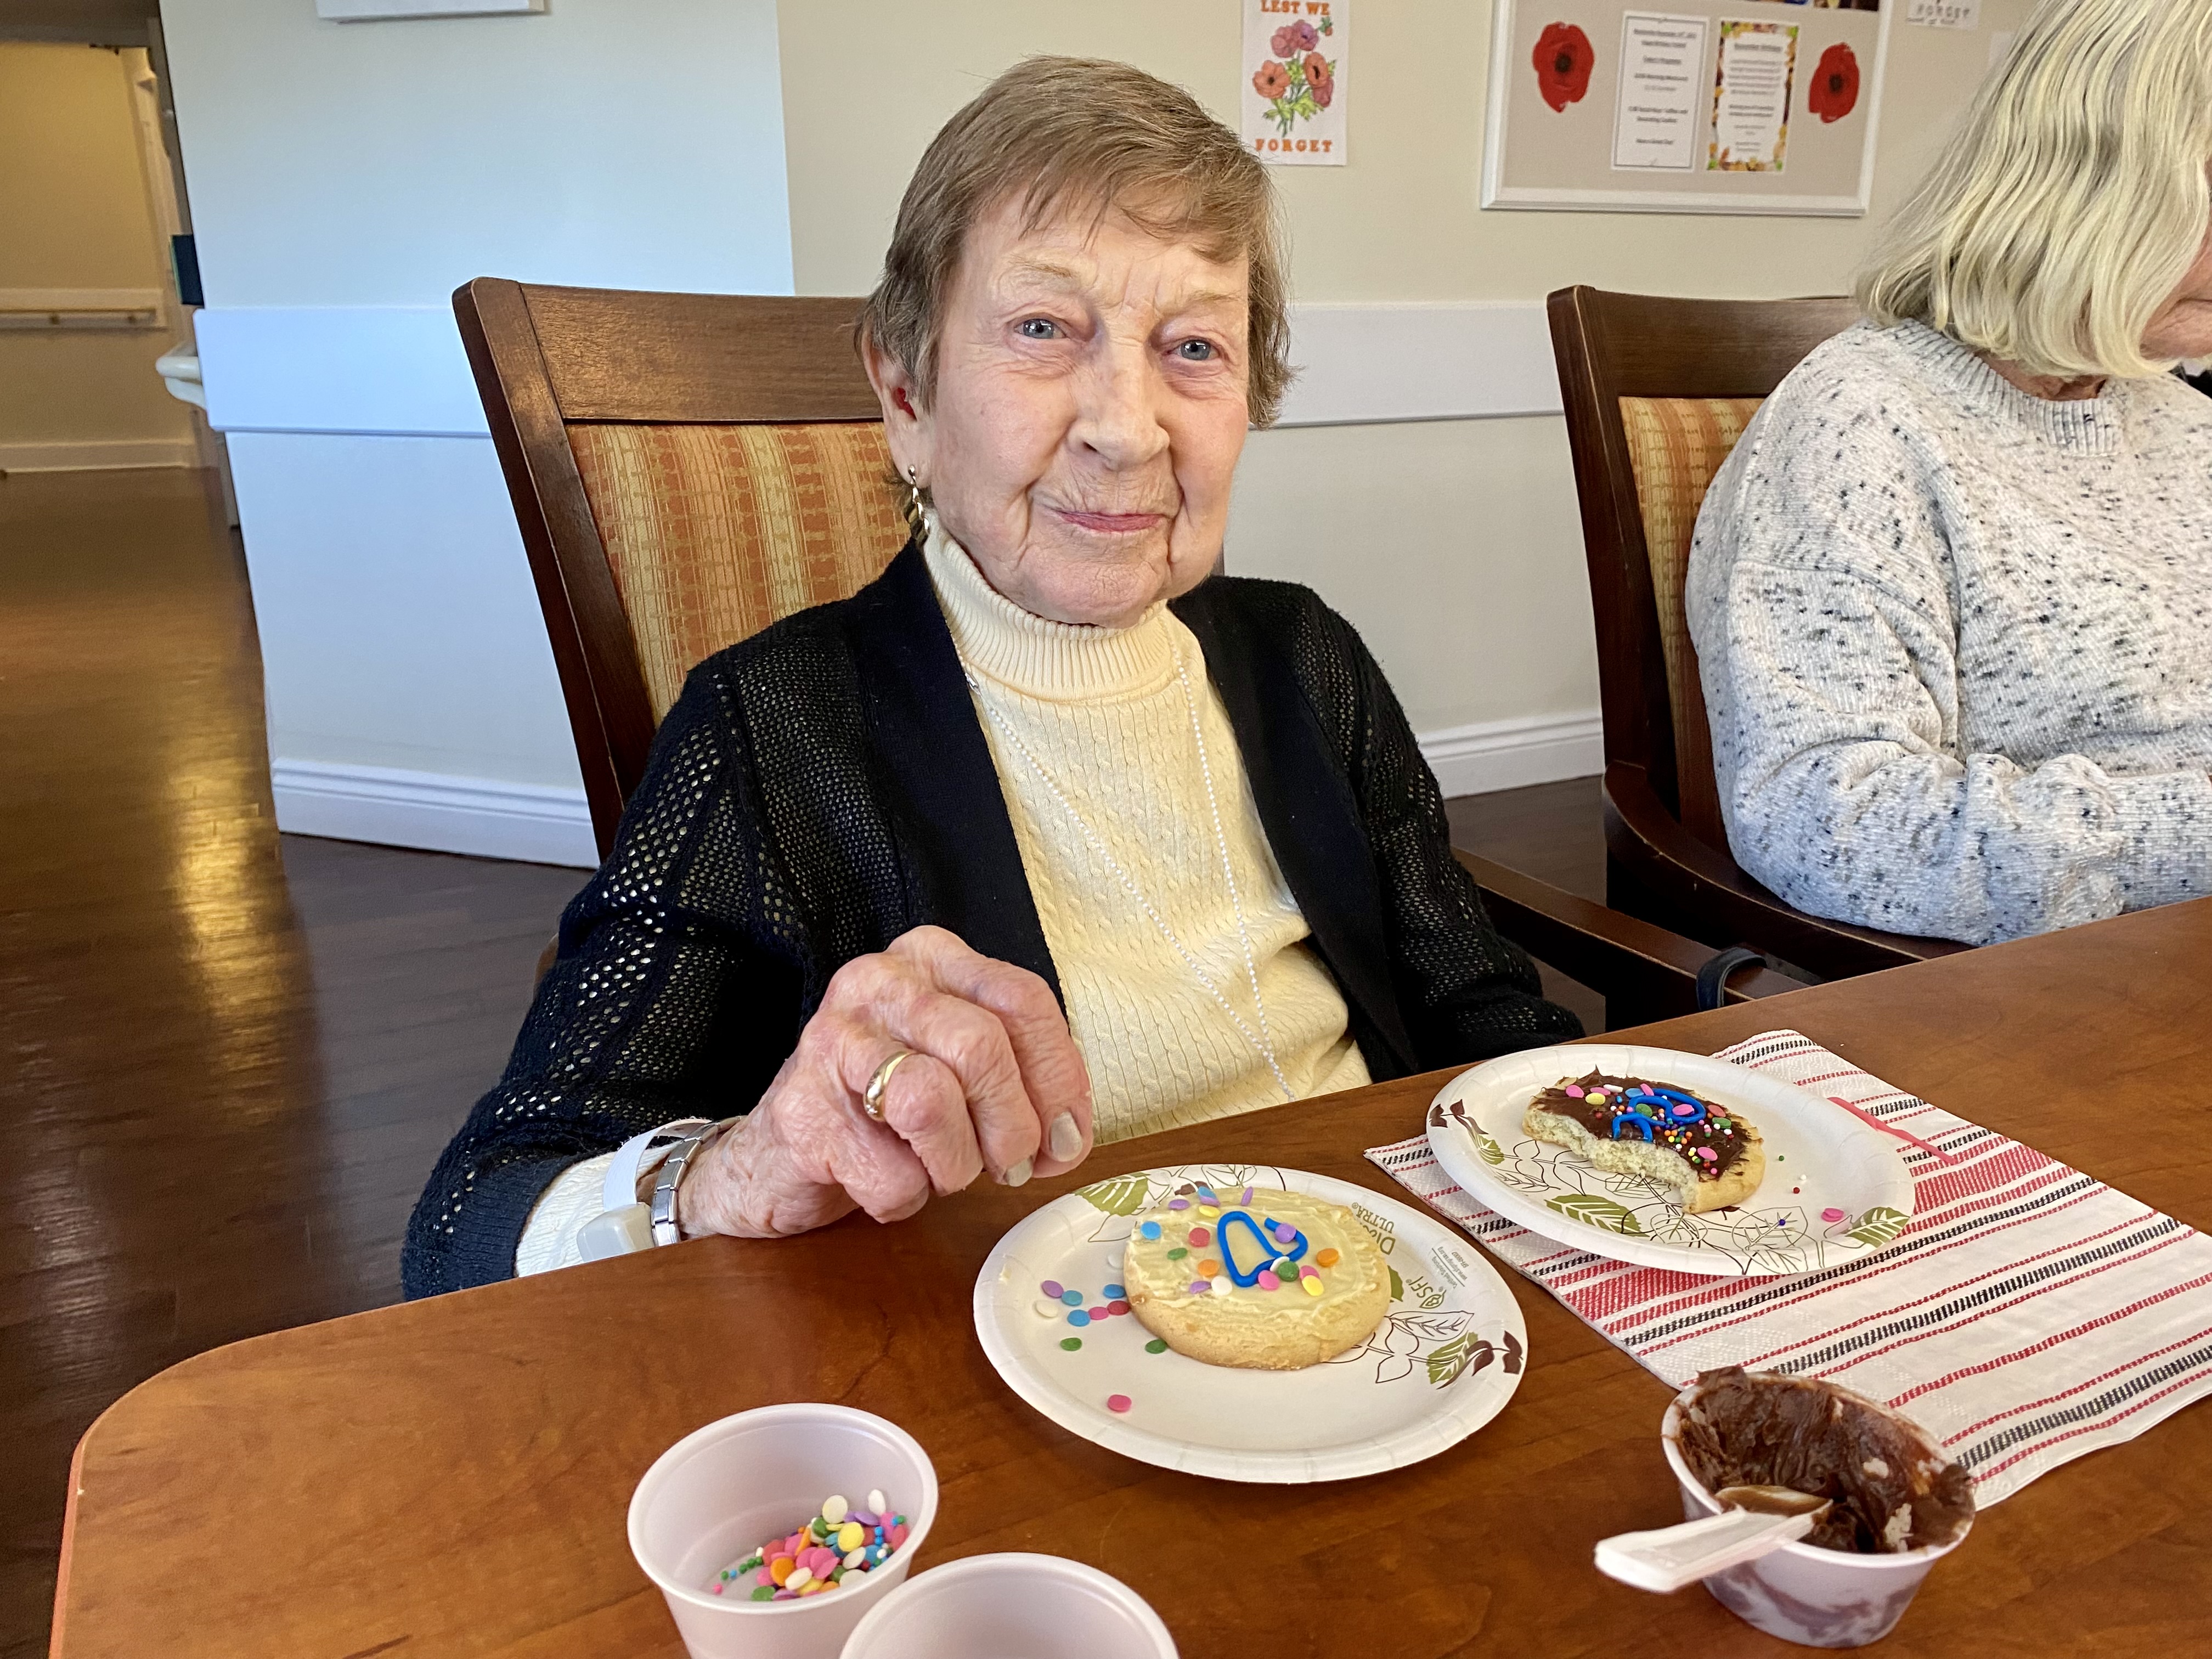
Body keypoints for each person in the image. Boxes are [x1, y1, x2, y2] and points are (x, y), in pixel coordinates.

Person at [402, 58, 1577, 1297]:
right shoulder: (772, 727)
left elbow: (1485, 1016)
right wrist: (733, 1172)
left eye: (1193, 347)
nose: (1128, 427)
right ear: (906, 393)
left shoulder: (1309, 658)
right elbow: (469, 1223)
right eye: (1042, 331)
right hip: (1034, 1367)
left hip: (1397, 1305)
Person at [1686, 0, 2212, 947]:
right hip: (2052, 988)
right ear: (2086, 184)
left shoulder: (2181, 419)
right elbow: (1828, 820)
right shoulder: (1860, 422)